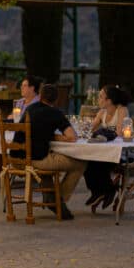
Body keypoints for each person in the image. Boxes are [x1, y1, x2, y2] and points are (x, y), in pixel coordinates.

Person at [10, 84, 84, 220]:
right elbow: (72, 137)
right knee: (80, 163)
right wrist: (54, 135)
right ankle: (58, 198)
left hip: (16, 159)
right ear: (56, 100)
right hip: (35, 160)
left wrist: (50, 135)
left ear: (40, 96)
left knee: (47, 159)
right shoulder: (55, 113)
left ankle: (53, 198)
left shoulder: (30, 109)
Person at [82, 85, 131, 209]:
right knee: (86, 161)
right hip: (104, 152)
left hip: (121, 153)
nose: (98, 99)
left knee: (98, 163)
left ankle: (108, 190)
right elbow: (88, 130)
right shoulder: (102, 112)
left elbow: (120, 133)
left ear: (109, 100)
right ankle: (97, 192)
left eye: (100, 97)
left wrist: (102, 133)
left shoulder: (122, 110)